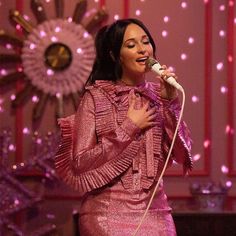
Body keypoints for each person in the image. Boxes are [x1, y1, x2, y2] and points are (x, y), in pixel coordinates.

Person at [55, 18, 192, 236]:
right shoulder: (96, 97)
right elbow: (80, 163)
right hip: (106, 216)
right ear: (114, 55)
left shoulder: (160, 96)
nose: (142, 50)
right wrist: (129, 128)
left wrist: (169, 103)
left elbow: (181, 154)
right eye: (131, 45)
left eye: (145, 42)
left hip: (155, 214)